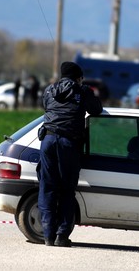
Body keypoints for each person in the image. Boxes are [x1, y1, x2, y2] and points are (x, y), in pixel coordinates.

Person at [38, 61, 103, 247]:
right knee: (67, 189)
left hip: (48, 141)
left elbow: (46, 107)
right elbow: (96, 109)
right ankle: (61, 236)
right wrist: (86, 91)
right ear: (78, 77)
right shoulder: (82, 91)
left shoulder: (49, 90)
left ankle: (48, 236)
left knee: (47, 188)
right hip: (68, 143)